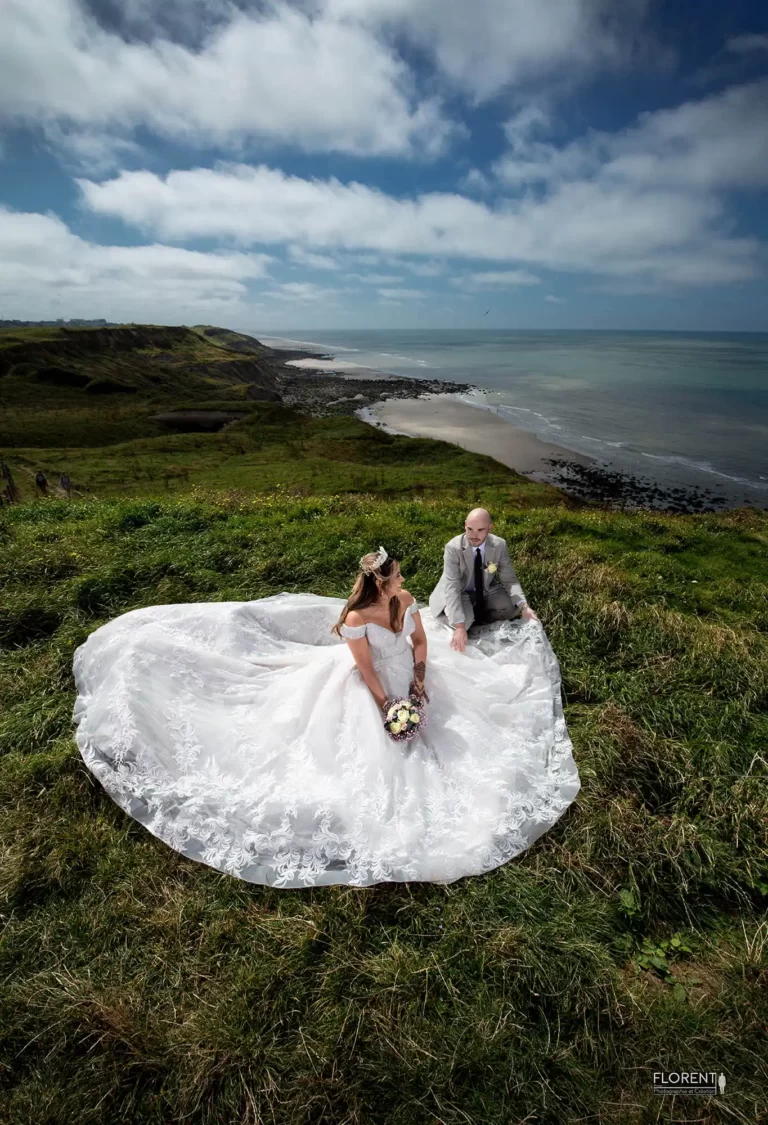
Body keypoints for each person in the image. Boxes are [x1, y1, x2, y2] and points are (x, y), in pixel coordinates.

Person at [72, 545, 580, 889]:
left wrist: (421, 681)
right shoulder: (357, 619)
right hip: (374, 686)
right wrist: (388, 705)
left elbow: (420, 639)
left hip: (412, 676)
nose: (405, 580)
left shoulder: (404, 601)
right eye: (398, 574)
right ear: (379, 582)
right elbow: (364, 670)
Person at [429, 507, 537, 653]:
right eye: (470, 529)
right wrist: (460, 626)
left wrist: (525, 607)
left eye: (480, 530)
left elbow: (509, 579)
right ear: (465, 525)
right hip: (459, 590)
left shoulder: (499, 545)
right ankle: (464, 620)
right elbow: (452, 586)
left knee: (510, 608)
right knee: (463, 622)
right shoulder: (452, 548)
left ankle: (478, 620)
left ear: (490, 528)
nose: (474, 535)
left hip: (486, 588)